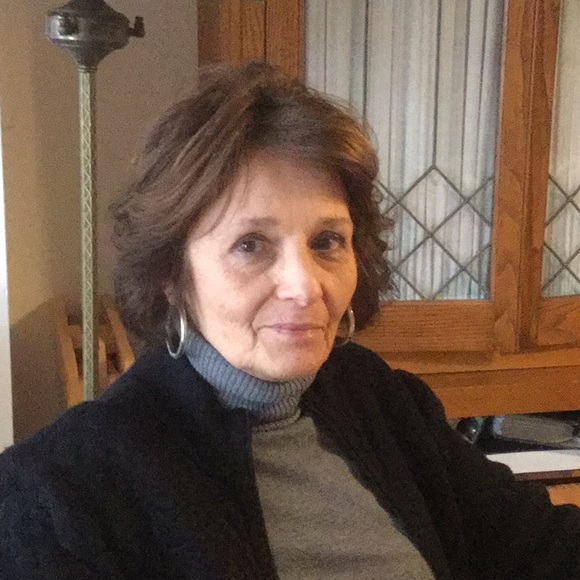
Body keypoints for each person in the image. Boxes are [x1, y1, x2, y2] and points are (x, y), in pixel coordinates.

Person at [1, 62, 580, 580]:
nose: (305, 287)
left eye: (327, 241)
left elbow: (540, 547)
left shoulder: (380, 401)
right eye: (250, 245)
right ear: (171, 273)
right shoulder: (60, 497)